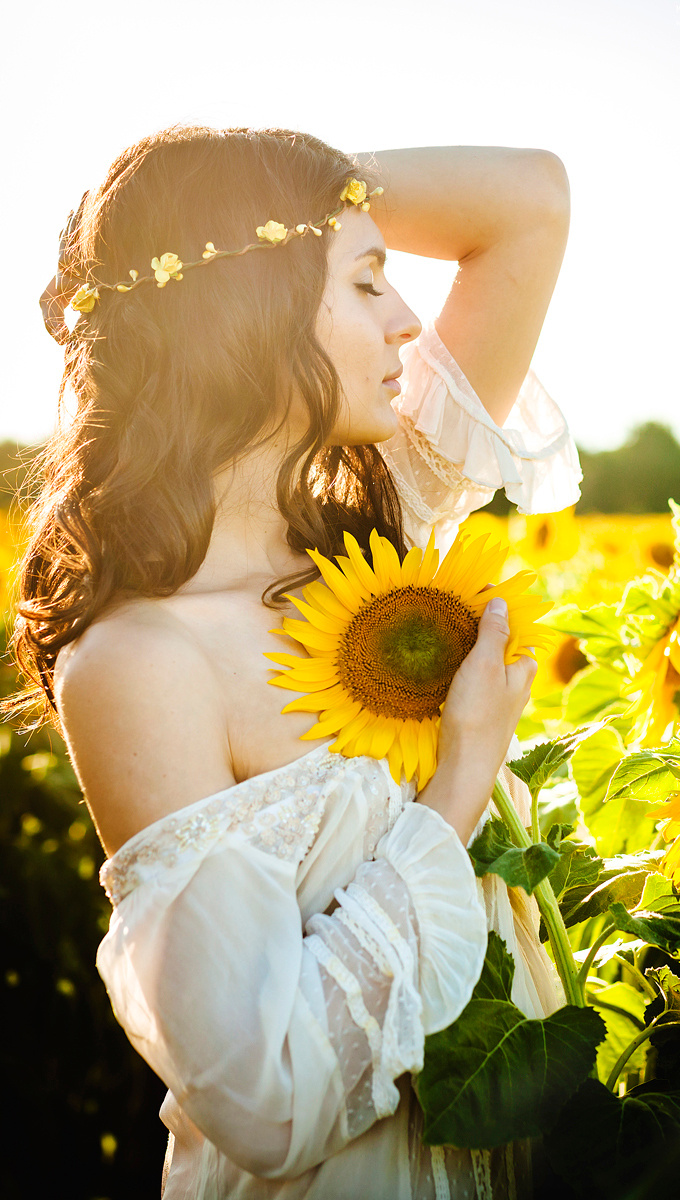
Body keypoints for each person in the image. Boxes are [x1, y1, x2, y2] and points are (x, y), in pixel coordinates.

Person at [13, 126, 582, 1199]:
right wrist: (458, 778)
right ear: (249, 308)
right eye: (366, 282)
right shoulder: (141, 660)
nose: (407, 319)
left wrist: (290, 189)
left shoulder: (382, 543)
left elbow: (528, 204)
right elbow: (263, 1100)